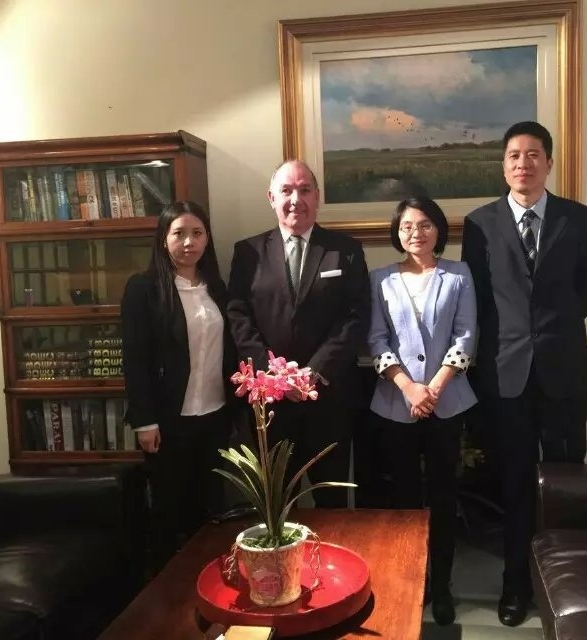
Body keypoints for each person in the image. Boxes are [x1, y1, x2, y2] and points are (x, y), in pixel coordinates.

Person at [461, 121, 587, 626]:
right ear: (504, 166)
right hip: (506, 377)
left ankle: (570, 587)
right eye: (515, 155)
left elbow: (585, 290)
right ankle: (515, 585)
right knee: (514, 485)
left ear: (549, 162)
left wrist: (550, 335)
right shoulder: (479, 224)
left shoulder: (577, 218)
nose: (524, 163)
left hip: (564, 372)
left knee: (565, 484)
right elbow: (476, 300)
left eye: (534, 154)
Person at [226, 160, 371, 507]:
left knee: (333, 501)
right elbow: (238, 316)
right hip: (271, 403)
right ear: (271, 197)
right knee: (276, 503)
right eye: (287, 190)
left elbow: (356, 317)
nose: (296, 199)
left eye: (305, 190)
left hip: (329, 399)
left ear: (317, 197)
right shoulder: (247, 252)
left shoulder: (345, 250)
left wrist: (313, 372)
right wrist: (274, 374)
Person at [368, 196, 477, 626]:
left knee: (444, 496)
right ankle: (414, 580)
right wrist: (409, 388)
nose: (417, 232)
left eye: (426, 224)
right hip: (396, 404)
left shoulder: (459, 274)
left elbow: (466, 337)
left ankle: (443, 584)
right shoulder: (379, 279)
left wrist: (432, 389)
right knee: (404, 500)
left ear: (439, 230)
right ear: (397, 232)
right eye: (408, 226)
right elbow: (376, 340)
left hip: (446, 404)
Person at [121, 200, 237, 568]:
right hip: (168, 420)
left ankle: (209, 582)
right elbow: (135, 359)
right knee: (168, 510)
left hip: (215, 415)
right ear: (163, 239)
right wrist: (144, 421)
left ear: (207, 239)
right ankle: (166, 587)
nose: (189, 242)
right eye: (179, 233)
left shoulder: (217, 288)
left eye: (197, 233)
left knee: (211, 507)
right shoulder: (143, 289)